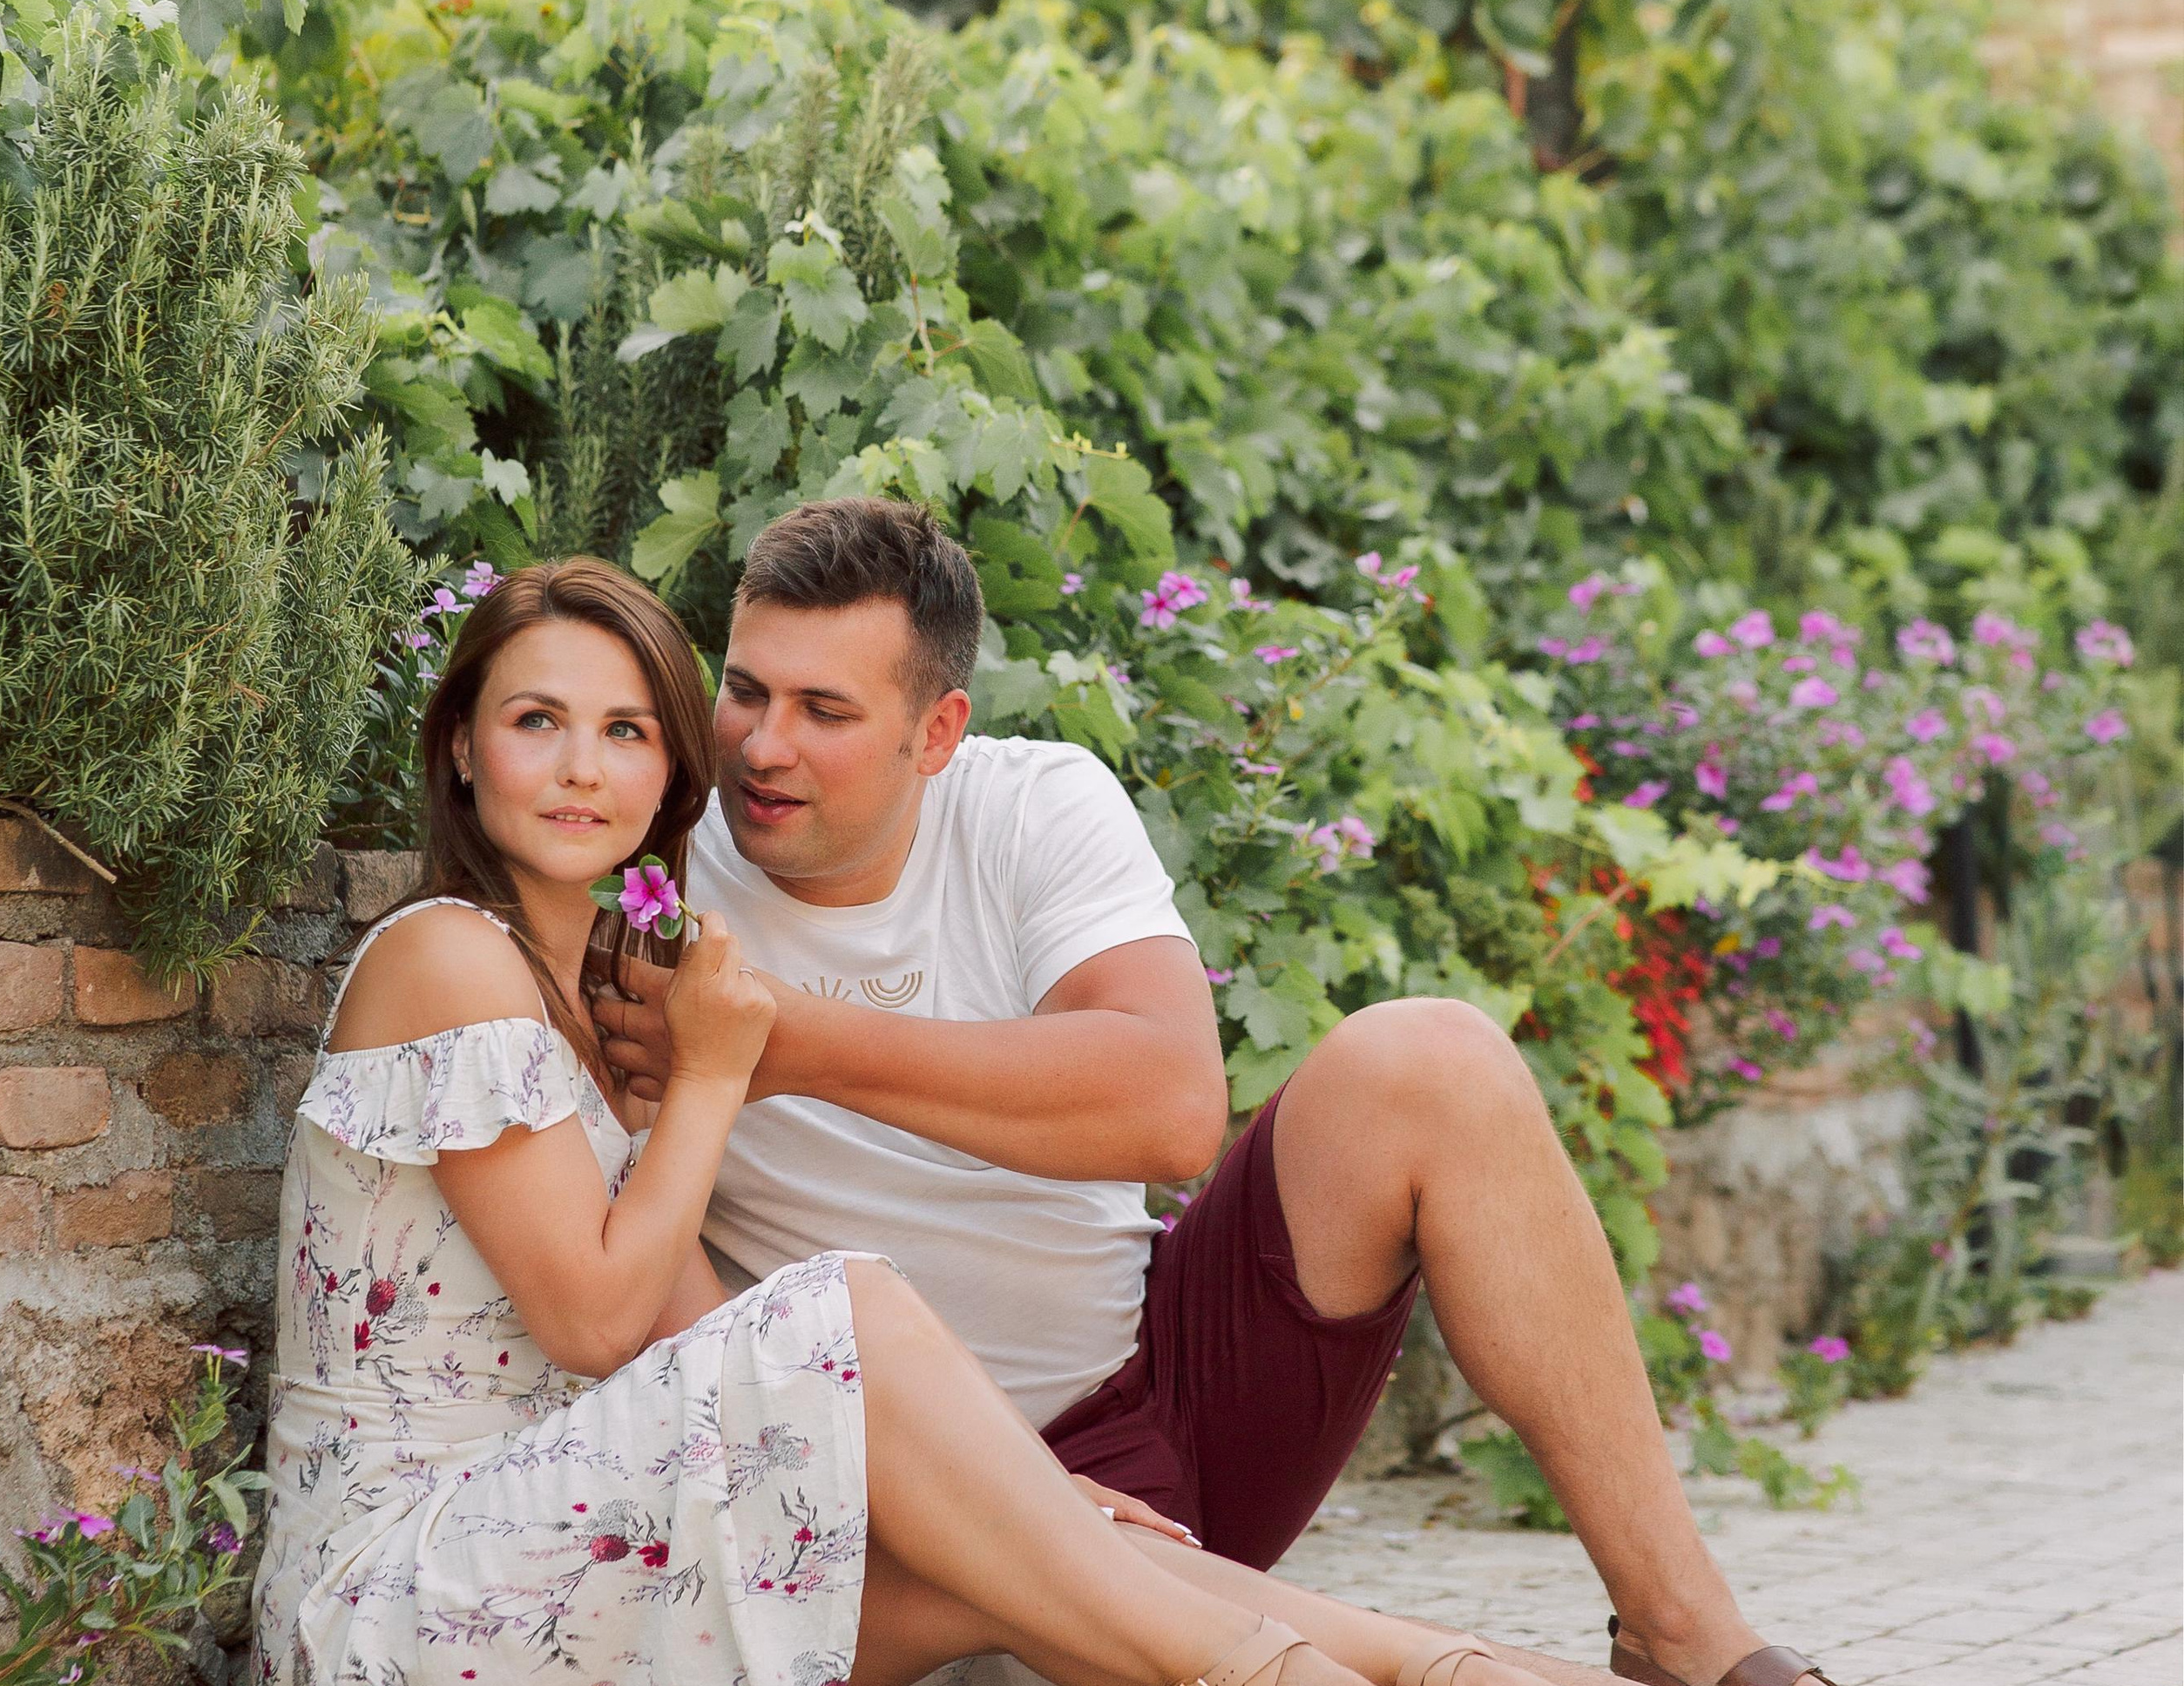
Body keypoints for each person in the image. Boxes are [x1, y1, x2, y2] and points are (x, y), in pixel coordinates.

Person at [595, 501, 1843, 1686]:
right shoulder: (653, 874)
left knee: (1434, 1062)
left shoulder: (1034, 805)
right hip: (893, 1497)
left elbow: (1172, 1106)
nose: (764, 745)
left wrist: (781, 1047)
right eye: (746, 690)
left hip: (1156, 1408)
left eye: (825, 709)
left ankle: (1688, 1636)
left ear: (936, 732)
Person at [254, 556, 1542, 1686]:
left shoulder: (599, 1004)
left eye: (629, 731)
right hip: (411, 1595)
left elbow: (688, 1333)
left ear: (667, 775)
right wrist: (718, 1069)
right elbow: (593, 1319)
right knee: (851, 1313)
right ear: (465, 747)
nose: (585, 768)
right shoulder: (445, 960)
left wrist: (1027, 1498)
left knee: (1017, 1566)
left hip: (592, 1545)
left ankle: (1465, 1670)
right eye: (537, 722)